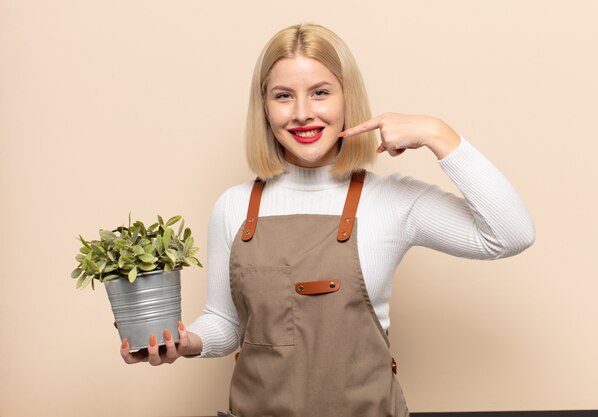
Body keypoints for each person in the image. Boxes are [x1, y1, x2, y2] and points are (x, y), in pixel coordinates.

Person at [120, 23, 535, 417]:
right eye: (283, 96)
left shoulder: (390, 201)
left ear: (346, 99)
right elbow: (227, 324)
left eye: (320, 92)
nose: (302, 113)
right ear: (264, 107)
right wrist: (186, 342)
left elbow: (510, 235)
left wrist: (436, 133)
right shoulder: (234, 206)